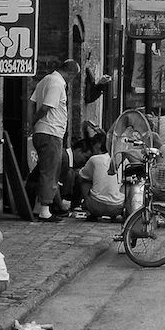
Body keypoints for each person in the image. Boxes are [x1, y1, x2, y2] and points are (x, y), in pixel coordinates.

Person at [29, 59, 80, 222]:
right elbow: (46, 107)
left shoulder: (44, 81)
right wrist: (34, 121)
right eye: (73, 77)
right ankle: (45, 210)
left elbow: (32, 102)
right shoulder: (57, 83)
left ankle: (35, 203)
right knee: (50, 171)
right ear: (70, 73)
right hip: (50, 131)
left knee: (43, 169)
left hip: (44, 132)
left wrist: (32, 123)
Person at [79, 137, 125, 221]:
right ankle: (118, 213)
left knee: (85, 180)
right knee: (125, 183)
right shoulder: (124, 161)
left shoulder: (94, 159)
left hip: (95, 206)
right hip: (118, 207)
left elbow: (82, 175)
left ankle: (90, 208)